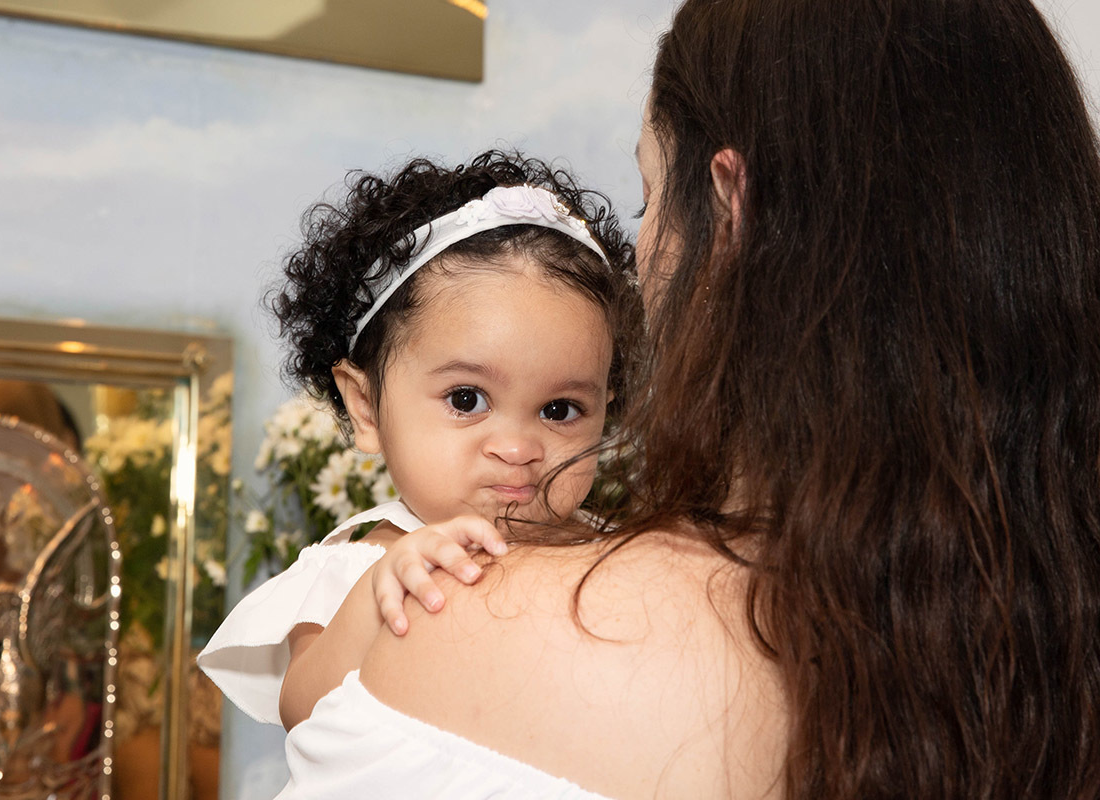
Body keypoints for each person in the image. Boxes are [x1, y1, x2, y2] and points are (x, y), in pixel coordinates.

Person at [273, 0, 1100, 798]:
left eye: (649, 194)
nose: (516, 446)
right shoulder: (1042, 643)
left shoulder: (474, 628)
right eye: (466, 398)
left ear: (731, 208)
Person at [198, 151, 641, 730]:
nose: (516, 447)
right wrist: (372, 605)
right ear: (366, 407)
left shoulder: (617, 555)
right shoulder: (364, 564)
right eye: (467, 400)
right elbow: (303, 712)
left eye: (560, 410)